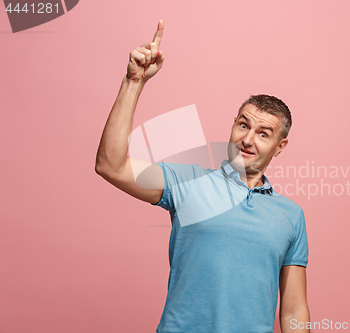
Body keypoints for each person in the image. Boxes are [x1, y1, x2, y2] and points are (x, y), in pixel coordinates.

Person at [95, 20, 310, 333]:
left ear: (280, 146)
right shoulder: (187, 183)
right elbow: (111, 166)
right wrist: (133, 82)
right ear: (233, 124)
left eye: (264, 134)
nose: (248, 140)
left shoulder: (291, 216)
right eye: (244, 126)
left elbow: (294, 307)